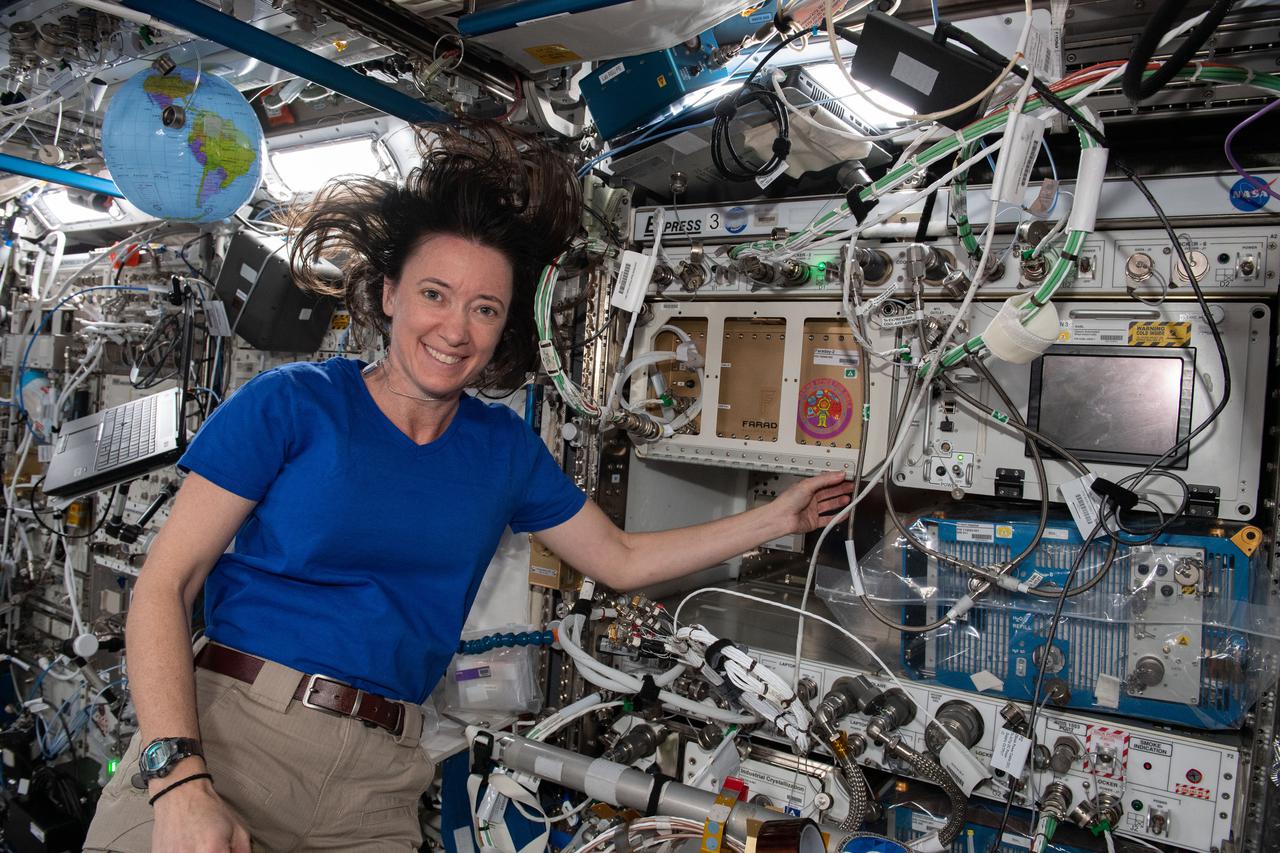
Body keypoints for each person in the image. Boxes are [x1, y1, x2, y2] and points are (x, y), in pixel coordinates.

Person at [83, 121, 853, 853]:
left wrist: (775, 518)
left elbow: (618, 557)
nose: (456, 329)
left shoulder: (502, 451)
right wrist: (178, 777)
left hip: (377, 782)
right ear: (389, 293)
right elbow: (164, 586)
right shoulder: (292, 404)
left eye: (484, 308)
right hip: (233, 735)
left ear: (503, 325)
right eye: (435, 294)